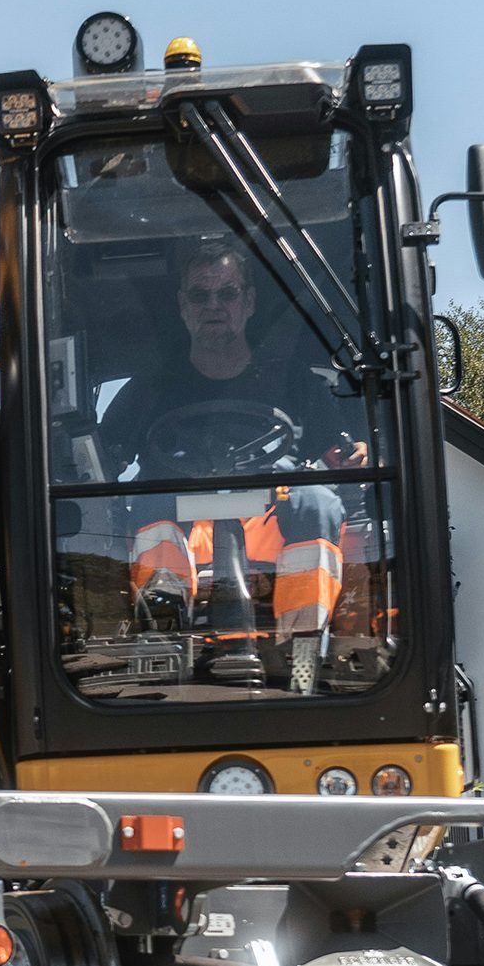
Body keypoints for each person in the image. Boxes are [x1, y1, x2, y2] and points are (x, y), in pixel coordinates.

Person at [87, 243, 360, 687]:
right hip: (181, 518)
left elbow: (341, 454)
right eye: (201, 295)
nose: (214, 305)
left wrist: (355, 456)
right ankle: (164, 627)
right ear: (183, 306)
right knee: (147, 499)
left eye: (227, 293)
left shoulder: (295, 383)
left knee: (316, 499)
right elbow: (97, 465)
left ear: (248, 302)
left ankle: (301, 646)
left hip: (271, 514)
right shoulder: (149, 388)